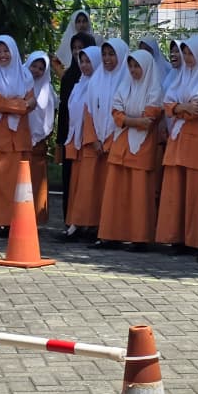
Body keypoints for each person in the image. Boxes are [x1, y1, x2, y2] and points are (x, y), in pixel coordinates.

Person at [155, 35, 198, 253]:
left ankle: (195, 240)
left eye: (190, 53)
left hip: (197, 140)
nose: (187, 57)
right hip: (178, 139)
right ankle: (176, 237)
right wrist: (181, 107)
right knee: (175, 188)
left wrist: (177, 108)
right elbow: (167, 103)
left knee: (195, 190)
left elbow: (197, 109)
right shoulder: (182, 76)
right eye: (184, 52)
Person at [96, 49, 163, 250]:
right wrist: (134, 120)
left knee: (139, 194)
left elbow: (149, 119)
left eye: (137, 66)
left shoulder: (155, 90)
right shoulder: (124, 86)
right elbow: (116, 113)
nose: (133, 70)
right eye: (131, 66)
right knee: (116, 192)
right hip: (121, 146)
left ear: (147, 68)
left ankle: (140, 238)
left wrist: (127, 120)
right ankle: (112, 235)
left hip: (142, 146)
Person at [66, 39, 128, 239]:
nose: (107, 59)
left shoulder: (126, 81)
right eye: (105, 54)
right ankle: (85, 224)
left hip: (116, 141)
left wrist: (110, 139)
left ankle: (105, 228)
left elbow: (126, 112)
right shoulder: (95, 80)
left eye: (112, 54)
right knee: (88, 185)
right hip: (94, 143)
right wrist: (93, 138)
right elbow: (89, 112)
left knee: (110, 188)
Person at [0, 35, 35, 233]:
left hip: (18, 138)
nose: (3, 55)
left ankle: (15, 222)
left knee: (17, 183)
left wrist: (5, 106)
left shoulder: (25, 75)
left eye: (6, 51)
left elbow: (32, 103)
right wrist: (21, 105)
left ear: (14, 51)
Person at [61, 45, 98, 239]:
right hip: (77, 140)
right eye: (82, 61)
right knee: (78, 184)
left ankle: (88, 224)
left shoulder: (98, 84)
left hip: (91, 142)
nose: (84, 65)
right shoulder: (79, 84)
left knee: (89, 185)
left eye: (88, 61)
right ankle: (77, 222)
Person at [57, 32, 99, 202]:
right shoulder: (72, 79)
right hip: (72, 138)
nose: (76, 52)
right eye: (74, 48)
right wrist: (61, 140)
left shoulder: (98, 82)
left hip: (91, 141)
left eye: (81, 48)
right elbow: (64, 110)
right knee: (71, 181)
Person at [25, 51, 55, 225]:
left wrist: (40, 135)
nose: (36, 71)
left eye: (41, 68)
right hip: (19, 139)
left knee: (36, 180)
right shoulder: (19, 83)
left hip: (38, 142)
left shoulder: (48, 90)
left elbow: (49, 117)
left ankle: (35, 218)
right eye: (34, 66)